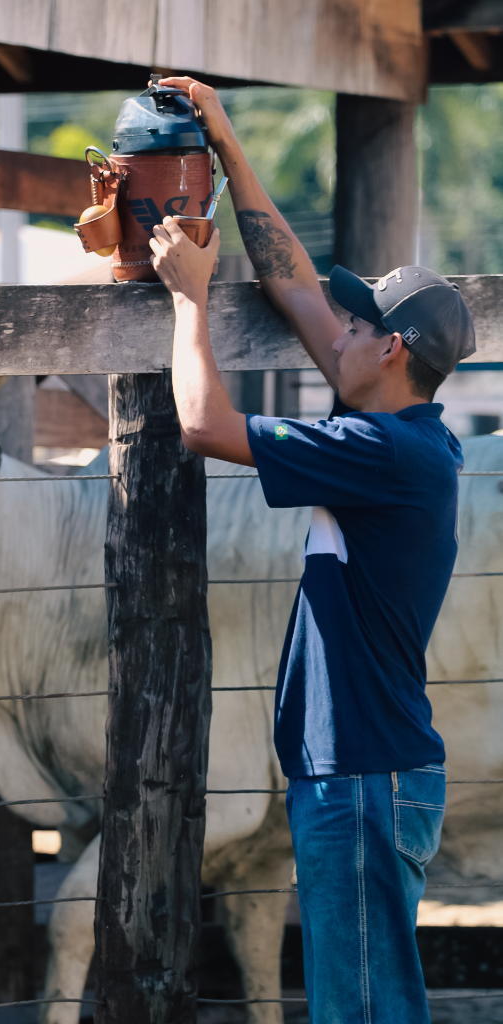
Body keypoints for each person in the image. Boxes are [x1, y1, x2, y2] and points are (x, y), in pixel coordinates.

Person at [148, 77, 476, 1024]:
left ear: (389, 351)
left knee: (362, 1011)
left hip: (364, 779)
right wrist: (226, 139)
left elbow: (205, 425)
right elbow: (294, 281)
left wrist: (189, 300)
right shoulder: (406, 431)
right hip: (366, 772)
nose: (341, 325)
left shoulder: (383, 454)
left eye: (360, 321)